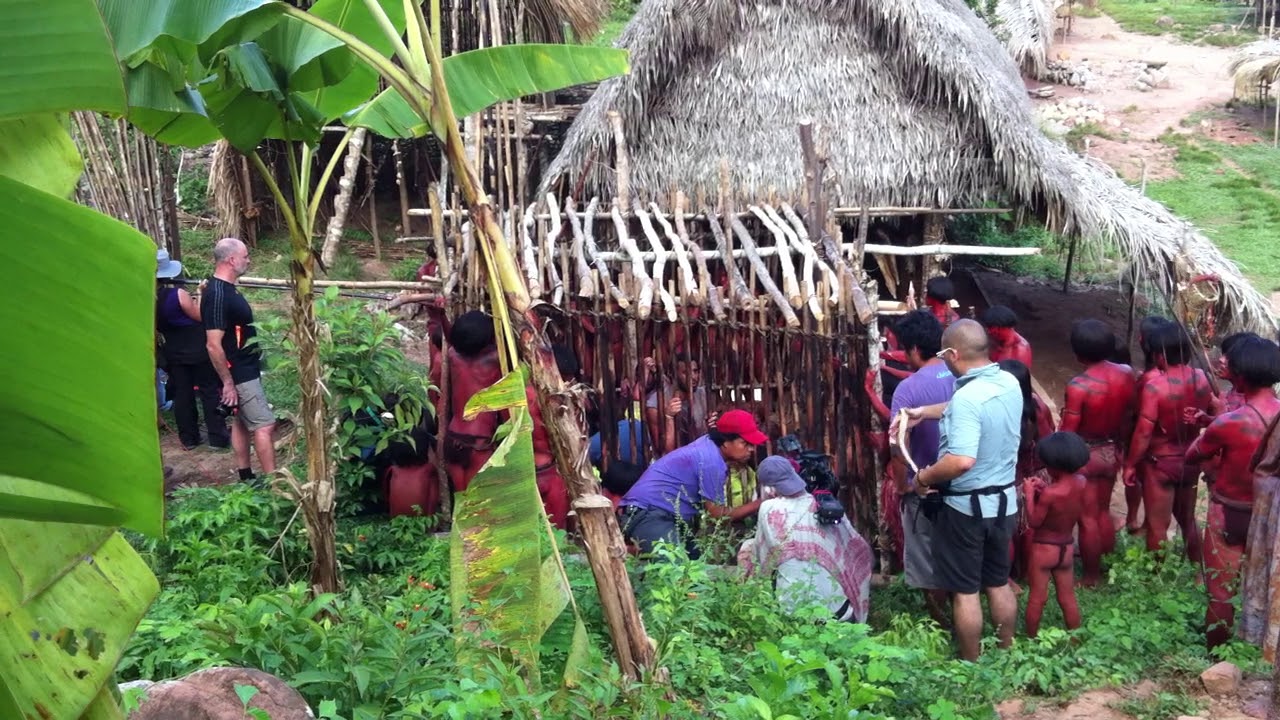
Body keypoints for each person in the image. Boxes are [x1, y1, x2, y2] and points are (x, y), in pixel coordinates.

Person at [895, 319, 1022, 661]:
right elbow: (963, 408)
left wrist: (923, 478)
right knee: (998, 581)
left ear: (953, 354)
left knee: (965, 591)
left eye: (943, 355)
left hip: (966, 509)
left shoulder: (967, 398)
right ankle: (1007, 653)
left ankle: (971, 663)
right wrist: (924, 413)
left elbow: (961, 461)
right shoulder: (1007, 382)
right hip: (1004, 502)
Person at [1185, 336, 1280, 652]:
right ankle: (1259, 649)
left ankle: (1217, 655)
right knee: (1267, 587)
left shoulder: (1231, 421)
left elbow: (1193, 454)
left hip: (1229, 511)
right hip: (1270, 515)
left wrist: (1211, 423)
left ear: (1239, 377)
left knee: (1220, 593)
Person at [738, 456, 873, 623]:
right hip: (840, 614)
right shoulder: (828, 507)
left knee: (748, 548)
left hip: (795, 619)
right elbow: (859, 549)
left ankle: (751, 616)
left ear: (768, 488)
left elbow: (761, 557)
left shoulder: (768, 508)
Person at [619, 410, 768, 558]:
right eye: (745, 443)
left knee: (695, 563)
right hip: (649, 513)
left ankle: (635, 552)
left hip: (659, 514)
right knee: (674, 565)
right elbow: (716, 514)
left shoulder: (708, 444)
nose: (751, 449)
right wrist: (760, 503)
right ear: (725, 442)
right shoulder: (711, 462)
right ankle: (629, 552)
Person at [887, 310, 955, 624]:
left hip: (926, 488)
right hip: (965, 482)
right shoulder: (961, 376)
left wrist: (902, 486)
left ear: (914, 349)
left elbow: (898, 445)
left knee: (929, 562)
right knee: (957, 556)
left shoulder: (909, 389)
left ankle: (939, 625)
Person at [1123, 322, 1212, 563]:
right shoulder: (1202, 378)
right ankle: (1197, 569)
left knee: (1157, 524)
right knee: (1188, 520)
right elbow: (1215, 411)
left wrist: (1130, 464)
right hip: (1191, 459)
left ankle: (1156, 576)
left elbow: (1143, 433)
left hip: (1160, 463)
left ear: (1160, 356)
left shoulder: (1155, 387)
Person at [1060, 319, 1136, 585]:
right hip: (1112, 448)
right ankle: (1105, 560)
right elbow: (1129, 414)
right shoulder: (1126, 373)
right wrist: (1122, 447)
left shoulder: (1079, 386)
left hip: (1086, 453)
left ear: (1077, 353)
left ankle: (1091, 576)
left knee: (1087, 518)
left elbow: (1069, 431)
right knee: (1103, 510)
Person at [202, 238, 275, 483]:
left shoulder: (223, 289)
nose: (249, 260)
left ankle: (246, 476)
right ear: (232, 260)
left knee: (241, 421)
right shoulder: (218, 294)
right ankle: (277, 485)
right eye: (245, 256)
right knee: (264, 426)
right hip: (239, 371)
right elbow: (213, 344)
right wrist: (228, 383)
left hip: (245, 366)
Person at [155, 248, 229, 451]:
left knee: (182, 395)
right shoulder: (177, 294)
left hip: (173, 351)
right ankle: (217, 437)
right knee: (209, 391)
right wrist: (200, 293)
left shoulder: (149, 300)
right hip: (197, 349)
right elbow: (199, 315)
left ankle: (188, 438)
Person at [1023, 432, 1089, 638]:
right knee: (1068, 597)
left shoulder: (1050, 494)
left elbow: (1034, 522)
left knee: (1037, 598)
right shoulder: (1082, 482)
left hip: (1044, 549)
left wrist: (1029, 495)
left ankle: (1031, 639)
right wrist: (1045, 488)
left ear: (1053, 467)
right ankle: (1075, 639)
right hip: (1066, 548)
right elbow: (1063, 501)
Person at [998, 358, 1055, 583]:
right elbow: (1049, 441)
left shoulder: (997, 409)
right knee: (1030, 528)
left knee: (1008, 530)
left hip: (1009, 478)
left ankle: (1008, 576)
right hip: (1034, 474)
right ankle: (1029, 573)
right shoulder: (1038, 407)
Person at [442, 311, 502, 497]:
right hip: (479, 442)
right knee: (477, 503)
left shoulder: (452, 356)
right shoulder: (496, 360)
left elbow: (450, 339)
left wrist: (441, 316)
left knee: (461, 498)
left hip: (453, 437)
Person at [644, 354, 709, 456]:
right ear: (673, 375)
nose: (693, 377)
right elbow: (666, 452)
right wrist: (669, 417)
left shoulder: (704, 396)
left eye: (695, 371)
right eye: (685, 372)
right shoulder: (655, 404)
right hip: (673, 461)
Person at [980, 305, 1033, 370]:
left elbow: (1014, 374)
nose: (988, 331)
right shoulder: (995, 339)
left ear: (998, 328)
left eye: (990, 328)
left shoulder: (1020, 349)